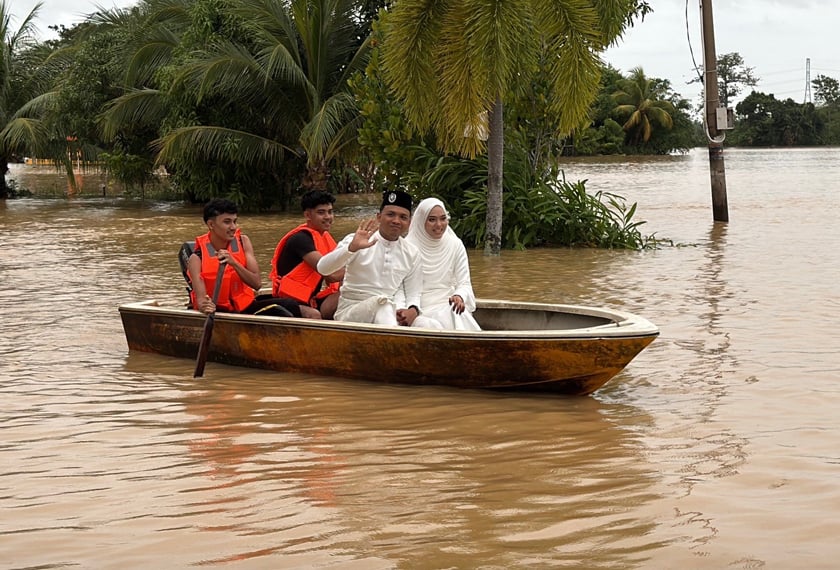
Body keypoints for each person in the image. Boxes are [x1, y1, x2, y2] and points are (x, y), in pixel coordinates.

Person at [316, 189, 429, 327]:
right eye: (390, 214)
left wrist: (413, 310)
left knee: (426, 323)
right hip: (351, 311)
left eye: (403, 217)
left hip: (390, 311)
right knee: (382, 304)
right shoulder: (357, 240)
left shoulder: (412, 252)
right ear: (379, 217)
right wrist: (351, 249)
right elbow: (323, 268)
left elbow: (414, 292)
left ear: (409, 223)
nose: (396, 221)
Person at [188, 198, 313, 318]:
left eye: (234, 221)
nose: (233, 227)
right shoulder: (197, 258)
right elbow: (201, 301)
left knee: (290, 305)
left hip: (246, 307)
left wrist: (234, 263)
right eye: (227, 222)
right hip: (221, 312)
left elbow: (257, 283)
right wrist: (206, 307)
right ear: (211, 224)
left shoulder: (243, 242)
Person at [405, 197, 481, 330]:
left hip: (448, 303)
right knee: (432, 324)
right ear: (421, 220)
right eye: (432, 219)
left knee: (454, 312)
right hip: (419, 308)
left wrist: (459, 296)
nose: (439, 225)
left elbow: (464, 283)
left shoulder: (455, 244)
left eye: (443, 218)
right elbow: (400, 287)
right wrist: (411, 309)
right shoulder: (408, 247)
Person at [268, 190, 343, 319]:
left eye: (330, 212)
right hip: (289, 302)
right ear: (308, 215)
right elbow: (330, 274)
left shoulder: (324, 237)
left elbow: (340, 269)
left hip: (309, 299)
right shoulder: (301, 239)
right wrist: (361, 268)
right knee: (314, 315)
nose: (328, 217)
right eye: (321, 212)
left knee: (350, 295)